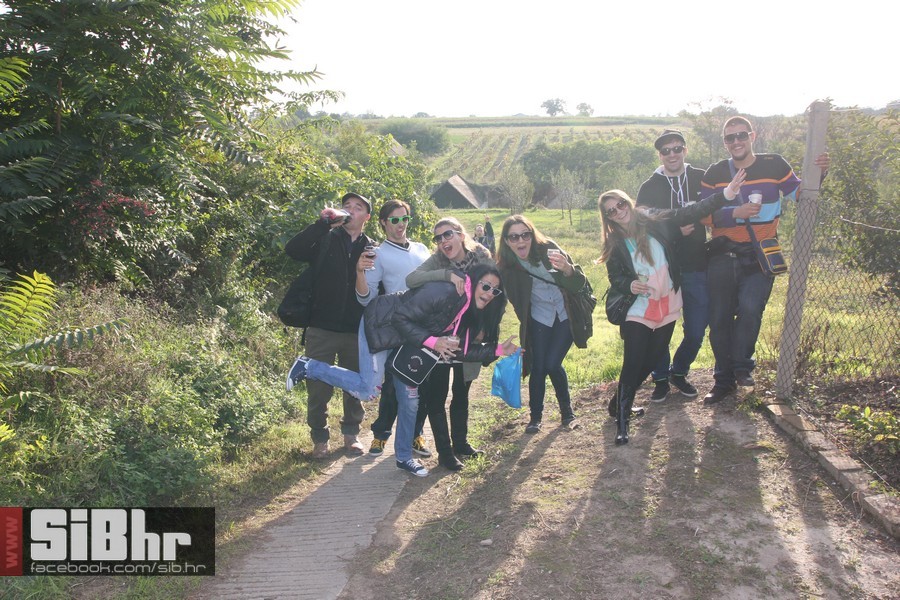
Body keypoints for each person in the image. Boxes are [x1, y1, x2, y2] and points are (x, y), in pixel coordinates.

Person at [287, 263, 518, 476]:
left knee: (410, 400)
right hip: (381, 326)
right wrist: (433, 341)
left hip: (407, 343)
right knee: (368, 390)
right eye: (486, 286)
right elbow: (400, 317)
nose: (489, 294)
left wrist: (497, 349)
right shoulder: (446, 292)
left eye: (495, 291)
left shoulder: (466, 311)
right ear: (474, 281)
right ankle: (310, 366)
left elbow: (459, 351)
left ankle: (404, 458)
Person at [599, 171, 744, 444]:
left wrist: (725, 196)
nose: (618, 212)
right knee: (633, 362)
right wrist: (629, 285)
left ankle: (618, 401)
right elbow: (615, 277)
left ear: (628, 202)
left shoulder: (655, 222)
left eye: (620, 205)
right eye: (611, 211)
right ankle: (622, 420)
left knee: (654, 359)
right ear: (607, 217)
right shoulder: (615, 242)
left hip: (668, 300)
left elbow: (688, 212)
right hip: (639, 307)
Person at [699, 116, 830, 405]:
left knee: (750, 309)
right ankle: (723, 381)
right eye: (730, 137)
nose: (736, 141)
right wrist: (735, 213)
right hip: (722, 253)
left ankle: (742, 369)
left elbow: (799, 193)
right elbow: (703, 213)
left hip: (760, 254)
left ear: (752, 136)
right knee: (718, 319)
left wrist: (820, 173)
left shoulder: (775, 165)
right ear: (724, 142)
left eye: (741, 135)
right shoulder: (716, 172)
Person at [283, 192, 375, 458]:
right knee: (318, 388)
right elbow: (293, 250)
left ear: (366, 217)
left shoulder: (372, 248)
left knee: (354, 386)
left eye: (358, 208)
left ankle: (351, 435)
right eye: (346, 206)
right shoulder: (324, 239)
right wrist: (323, 224)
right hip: (321, 327)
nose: (351, 211)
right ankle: (320, 439)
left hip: (355, 330)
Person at [406, 217, 495, 471]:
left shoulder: (481, 257)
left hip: (471, 335)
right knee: (436, 395)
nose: (444, 241)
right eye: (438, 238)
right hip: (442, 335)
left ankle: (461, 444)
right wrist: (446, 274)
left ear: (460, 234)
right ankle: (445, 454)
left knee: (462, 391)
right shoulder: (438, 260)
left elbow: (494, 292)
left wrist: (483, 330)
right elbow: (411, 279)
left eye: (448, 235)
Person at [497, 215, 592, 433]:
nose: (520, 240)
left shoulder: (549, 249)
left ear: (532, 234)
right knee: (538, 367)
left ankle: (567, 413)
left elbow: (579, 283)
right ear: (506, 241)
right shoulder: (507, 268)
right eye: (514, 237)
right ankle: (535, 418)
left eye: (525, 234)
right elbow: (498, 299)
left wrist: (567, 269)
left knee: (551, 363)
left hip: (565, 313)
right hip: (539, 317)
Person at [355, 199, 432, 457]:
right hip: (396, 328)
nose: (400, 225)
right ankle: (380, 435)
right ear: (383, 223)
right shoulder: (379, 254)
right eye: (395, 220)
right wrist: (360, 273)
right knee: (392, 384)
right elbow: (366, 297)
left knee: (420, 383)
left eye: (405, 219)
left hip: (425, 326)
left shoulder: (422, 249)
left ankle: (415, 435)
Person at [636, 130, 708, 401]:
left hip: (698, 265)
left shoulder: (701, 177)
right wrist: (676, 230)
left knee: (697, 329)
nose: (672, 154)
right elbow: (641, 222)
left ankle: (679, 371)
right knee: (660, 327)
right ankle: (661, 378)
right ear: (660, 155)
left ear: (685, 151)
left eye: (677, 148)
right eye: (666, 150)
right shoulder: (650, 186)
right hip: (662, 269)